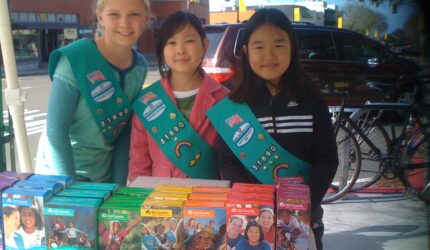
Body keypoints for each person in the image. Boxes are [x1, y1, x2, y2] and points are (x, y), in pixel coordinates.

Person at [211, 8, 338, 250]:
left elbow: (328, 159)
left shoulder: (312, 101)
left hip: (302, 222)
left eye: (279, 45)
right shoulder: (234, 108)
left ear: (292, 48)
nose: (269, 55)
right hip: (254, 223)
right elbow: (227, 162)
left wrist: (303, 206)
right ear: (247, 52)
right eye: (259, 46)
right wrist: (254, 206)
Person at [35, 0, 151, 185]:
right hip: (59, 177)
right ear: (100, 16)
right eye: (114, 14)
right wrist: (73, 191)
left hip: (102, 179)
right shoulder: (76, 59)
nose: (124, 23)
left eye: (134, 14)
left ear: (145, 19)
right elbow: (56, 131)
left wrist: (117, 186)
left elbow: (123, 131)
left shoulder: (140, 67)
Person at [128, 11, 229, 182]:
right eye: (172, 42)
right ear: (161, 50)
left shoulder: (224, 99)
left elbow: (230, 161)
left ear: (204, 45)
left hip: (209, 200)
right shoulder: (147, 101)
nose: (181, 50)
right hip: (160, 200)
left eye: (189, 41)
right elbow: (139, 161)